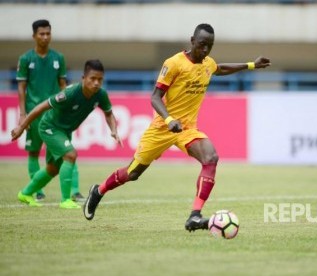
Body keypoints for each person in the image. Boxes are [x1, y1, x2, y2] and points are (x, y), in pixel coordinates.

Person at [83, 23, 271, 232]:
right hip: (162, 128)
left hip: (187, 129)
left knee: (211, 158)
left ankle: (195, 216)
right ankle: (98, 191)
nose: (206, 50)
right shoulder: (173, 63)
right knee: (133, 173)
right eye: (201, 45)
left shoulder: (208, 63)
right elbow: (155, 97)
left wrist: (251, 65)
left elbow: (220, 69)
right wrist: (169, 119)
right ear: (192, 41)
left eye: (210, 46)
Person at [11, 59, 122, 209]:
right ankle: (65, 200)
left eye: (100, 79)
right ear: (83, 78)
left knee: (53, 169)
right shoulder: (70, 93)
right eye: (93, 78)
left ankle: (25, 193)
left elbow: (109, 113)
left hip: (64, 131)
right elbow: (41, 107)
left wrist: (114, 130)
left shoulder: (100, 94)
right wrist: (21, 127)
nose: (96, 83)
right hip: (49, 127)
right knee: (70, 155)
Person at [16, 19, 84, 202]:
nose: (45, 37)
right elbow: (21, 87)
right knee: (33, 152)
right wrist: (23, 115)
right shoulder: (25, 59)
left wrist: (68, 109)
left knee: (67, 151)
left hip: (55, 114)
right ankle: (37, 191)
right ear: (34, 36)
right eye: (41, 34)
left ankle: (75, 191)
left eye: (48, 33)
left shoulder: (58, 58)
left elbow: (63, 85)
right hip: (33, 112)